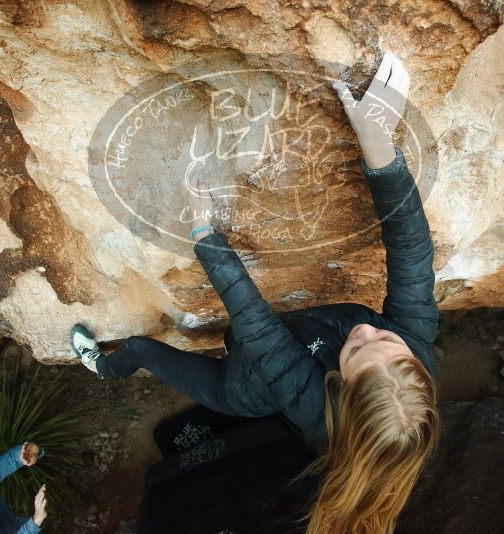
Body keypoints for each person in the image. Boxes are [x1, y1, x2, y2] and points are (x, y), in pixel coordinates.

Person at [70, 51, 440, 533]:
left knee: (140, 348)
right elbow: (410, 247)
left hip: (239, 388)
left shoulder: (315, 407)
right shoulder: (416, 354)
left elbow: (256, 326)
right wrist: (377, 141)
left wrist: (204, 230)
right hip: (281, 351)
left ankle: (102, 367)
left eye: (358, 350)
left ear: (341, 389)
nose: (369, 329)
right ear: (417, 366)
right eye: (390, 343)